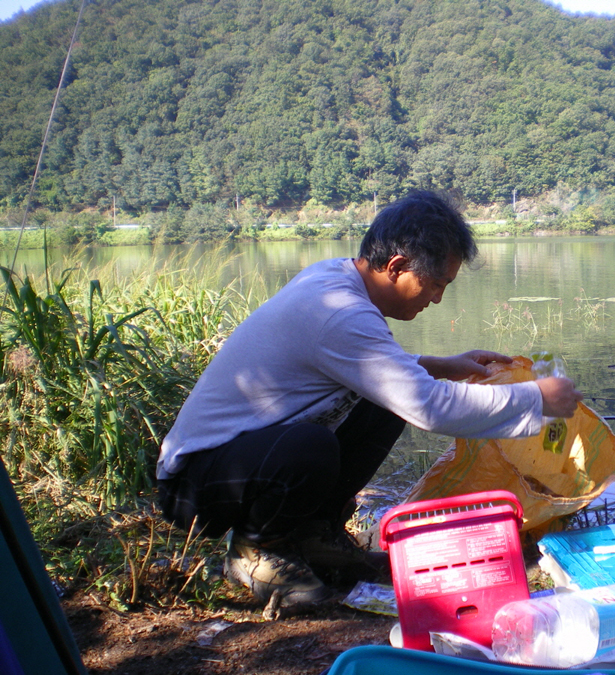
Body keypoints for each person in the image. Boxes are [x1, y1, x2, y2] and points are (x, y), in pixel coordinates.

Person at [156, 190, 582, 616]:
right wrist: (536, 398)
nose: (436, 298)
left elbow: (372, 369)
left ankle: (313, 535)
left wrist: (442, 365)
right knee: (310, 447)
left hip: (241, 461)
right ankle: (256, 549)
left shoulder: (335, 278)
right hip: (195, 485)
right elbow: (429, 406)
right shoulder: (340, 312)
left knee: (382, 405)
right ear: (396, 267)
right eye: (436, 284)